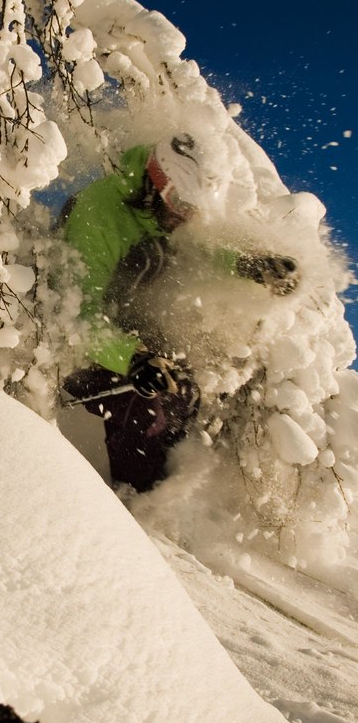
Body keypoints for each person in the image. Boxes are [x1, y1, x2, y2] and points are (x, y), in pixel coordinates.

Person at [60, 135, 299, 493]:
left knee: (182, 388)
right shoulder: (98, 217)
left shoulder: (160, 213)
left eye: (193, 209)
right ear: (157, 180)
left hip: (129, 325)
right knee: (141, 406)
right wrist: (132, 360)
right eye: (178, 203)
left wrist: (249, 265)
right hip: (79, 342)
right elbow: (77, 318)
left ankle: (170, 486)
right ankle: (129, 507)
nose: (183, 215)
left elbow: (198, 251)